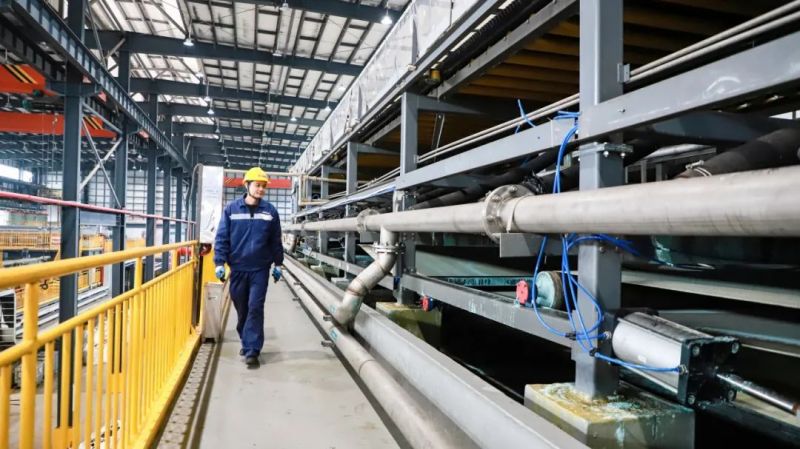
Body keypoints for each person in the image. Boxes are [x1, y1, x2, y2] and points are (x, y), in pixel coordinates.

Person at [213, 167, 284, 368]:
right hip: (238, 269)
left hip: (260, 269)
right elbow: (222, 238)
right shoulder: (231, 210)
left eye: (263, 186)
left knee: (255, 307)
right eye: (257, 185)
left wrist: (278, 264)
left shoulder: (270, 212)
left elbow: (275, 241)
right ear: (247, 185)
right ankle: (246, 338)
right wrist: (219, 263)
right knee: (242, 308)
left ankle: (252, 349)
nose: (261, 189)